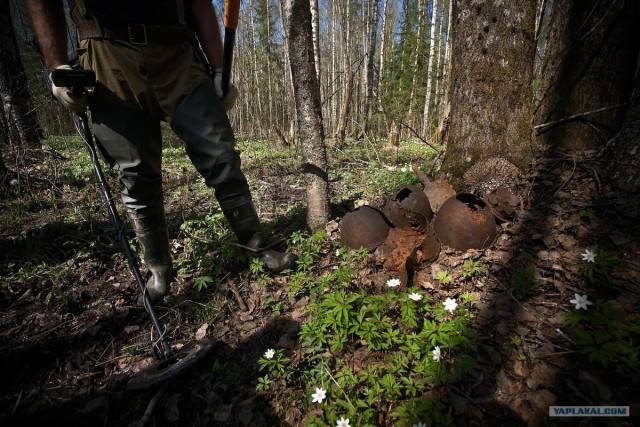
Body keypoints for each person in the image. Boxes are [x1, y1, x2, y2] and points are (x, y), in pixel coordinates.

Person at [26, 0, 297, 302]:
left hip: (178, 51)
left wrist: (220, 69)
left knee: (220, 153)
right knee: (135, 174)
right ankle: (159, 269)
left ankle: (256, 246)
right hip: (105, 53)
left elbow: (200, 4)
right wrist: (57, 67)